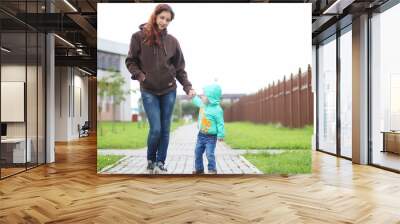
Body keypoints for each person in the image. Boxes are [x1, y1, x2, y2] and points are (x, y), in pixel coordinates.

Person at [126, 4, 195, 174]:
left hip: (169, 90)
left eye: (168, 20)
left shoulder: (172, 42)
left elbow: (179, 68)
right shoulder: (138, 37)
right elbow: (130, 61)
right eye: (162, 17)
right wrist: (141, 76)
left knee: (165, 129)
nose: (164, 22)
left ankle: (160, 162)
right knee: (155, 128)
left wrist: (187, 87)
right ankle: (150, 159)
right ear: (155, 16)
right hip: (148, 90)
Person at [190, 84, 225, 174]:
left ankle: (212, 169)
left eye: (204, 95)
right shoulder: (203, 104)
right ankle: (199, 169)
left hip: (211, 137)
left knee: (209, 154)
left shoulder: (217, 110)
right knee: (197, 152)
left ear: (211, 97)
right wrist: (193, 96)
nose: (202, 96)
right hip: (201, 135)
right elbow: (196, 100)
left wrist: (221, 134)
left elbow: (220, 123)